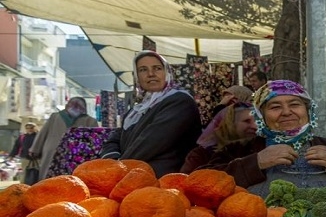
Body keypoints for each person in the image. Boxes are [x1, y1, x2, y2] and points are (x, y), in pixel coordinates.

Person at [196, 79, 326, 197]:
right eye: (275, 107)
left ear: (308, 110)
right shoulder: (237, 149)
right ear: (261, 115)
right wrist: (256, 162)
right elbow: (200, 184)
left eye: (294, 104)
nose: (286, 112)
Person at [100, 50, 202, 178]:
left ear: (167, 72)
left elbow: (150, 143)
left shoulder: (179, 101)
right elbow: (113, 141)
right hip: (133, 177)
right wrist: (113, 161)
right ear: (137, 76)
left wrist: (119, 169)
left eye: (157, 68)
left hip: (164, 182)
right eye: (143, 70)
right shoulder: (137, 110)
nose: (151, 74)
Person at [29, 97, 99, 181]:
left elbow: (43, 133)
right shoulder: (90, 121)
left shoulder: (55, 117)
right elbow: (95, 142)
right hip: (76, 154)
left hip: (52, 151)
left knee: (49, 179)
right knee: (72, 181)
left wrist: (35, 150)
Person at [181, 101, 258, 173]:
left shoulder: (258, 147)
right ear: (229, 123)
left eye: (257, 121)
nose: (255, 126)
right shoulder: (201, 155)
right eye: (247, 121)